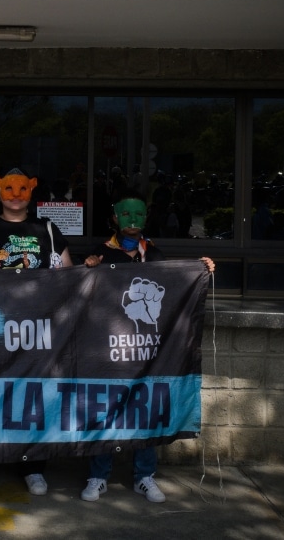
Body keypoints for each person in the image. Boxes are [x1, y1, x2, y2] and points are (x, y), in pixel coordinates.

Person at [79, 189, 214, 504]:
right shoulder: (100, 252)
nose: (132, 220)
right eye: (126, 214)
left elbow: (173, 285)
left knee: (146, 410)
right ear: (114, 218)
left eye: (138, 214)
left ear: (146, 217)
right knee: (106, 410)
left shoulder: (153, 254)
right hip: (108, 347)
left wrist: (200, 268)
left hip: (145, 350)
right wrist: (89, 268)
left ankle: (144, 476)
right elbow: (83, 293)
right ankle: (98, 476)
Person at [0, 168, 72, 498]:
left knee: (33, 396)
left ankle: (33, 467)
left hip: (36, 328)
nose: (16, 195)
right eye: (9, 189)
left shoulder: (47, 229)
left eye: (22, 189)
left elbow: (69, 275)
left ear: (31, 190)